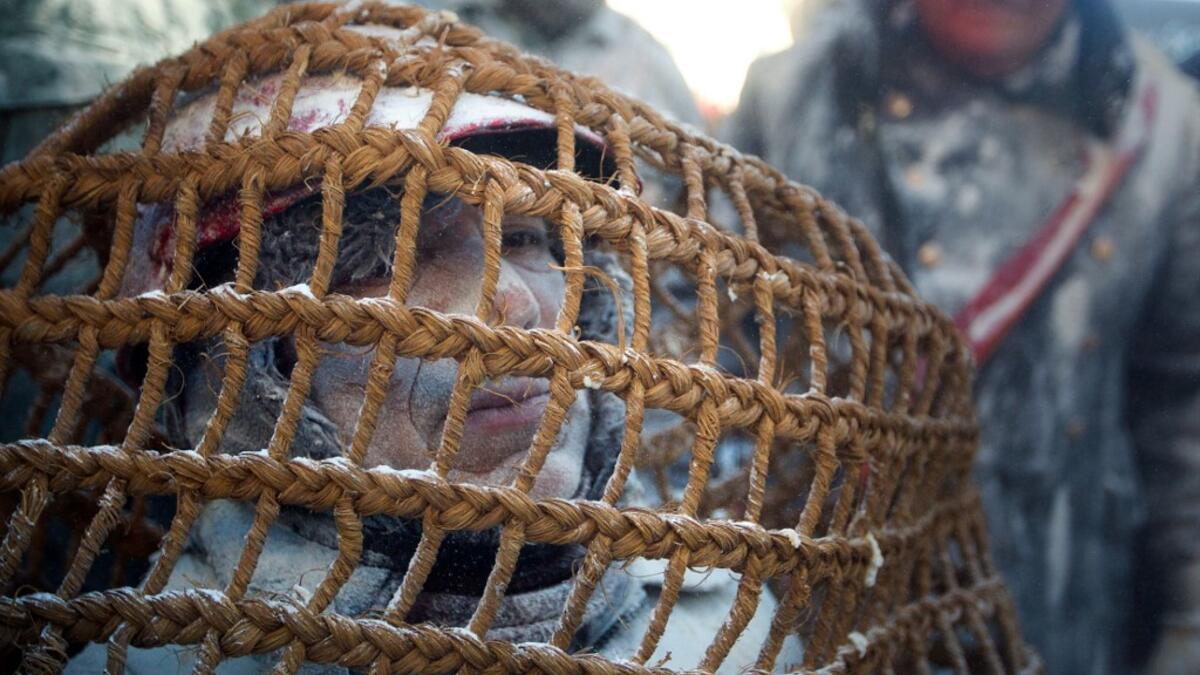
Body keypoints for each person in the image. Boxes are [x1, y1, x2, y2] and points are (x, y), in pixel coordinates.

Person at [64, 33, 787, 672]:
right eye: (392, 254)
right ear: (240, 375)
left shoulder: (725, 624)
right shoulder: (156, 658)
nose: (521, 306)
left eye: (529, 239)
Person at [727, 0, 1200, 672]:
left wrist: (1191, 609)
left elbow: (1183, 393)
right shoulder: (794, 93)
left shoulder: (1163, 124)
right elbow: (705, 342)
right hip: (822, 604)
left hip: (1057, 601)